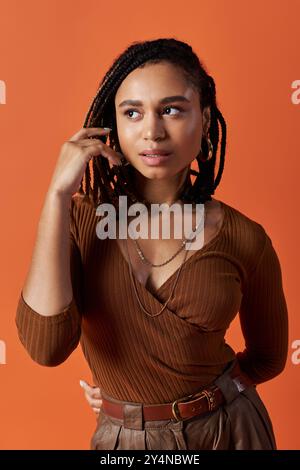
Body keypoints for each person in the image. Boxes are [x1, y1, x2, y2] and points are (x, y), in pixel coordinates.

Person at [15, 38, 288, 450]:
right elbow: (46, 347)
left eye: (172, 109)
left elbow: (267, 357)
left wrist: (207, 395)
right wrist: (56, 195)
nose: (153, 131)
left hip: (230, 433)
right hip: (125, 443)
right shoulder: (79, 219)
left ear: (205, 117)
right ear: (113, 125)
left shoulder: (245, 237)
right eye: (133, 112)